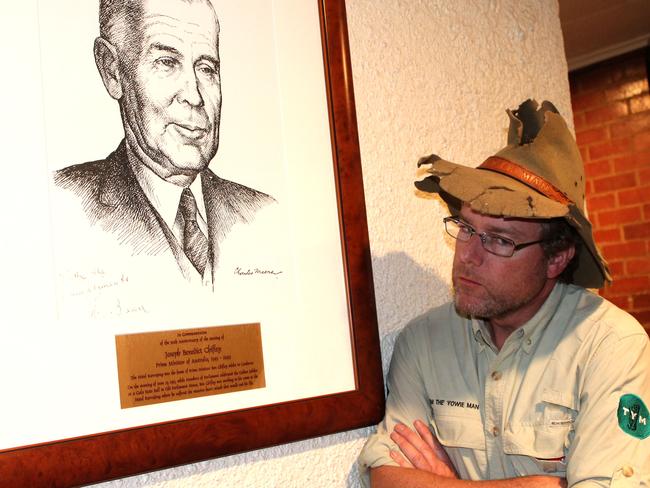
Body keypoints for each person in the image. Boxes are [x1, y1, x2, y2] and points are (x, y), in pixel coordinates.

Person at [358, 100, 649, 487]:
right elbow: (385, 477)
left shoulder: (611, 346)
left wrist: (443, 482)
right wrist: (539, 484)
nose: (467, 256)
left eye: (499, 240)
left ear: (557, 258)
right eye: (466, 228)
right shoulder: (423, 342)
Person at [53, 0, 275, 286]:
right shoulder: (62, 208)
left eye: (206, 69)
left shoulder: (263, 215)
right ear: (112, 71)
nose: (195, 97)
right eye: (167, 63)